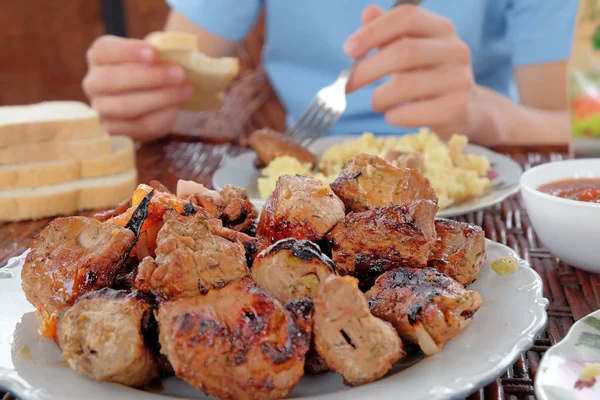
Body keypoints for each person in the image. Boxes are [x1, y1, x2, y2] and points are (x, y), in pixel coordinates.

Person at [82, 1, 578, 146]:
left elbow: (578, 130)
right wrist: (145, 101)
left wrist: (483, 114)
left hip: (480, 184)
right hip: (303, 173)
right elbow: (183, 102)